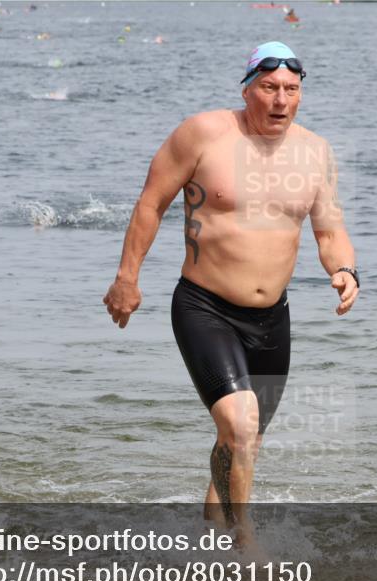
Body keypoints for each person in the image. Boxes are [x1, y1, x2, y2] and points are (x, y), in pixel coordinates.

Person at [103, 42, 358, 547]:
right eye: (269, 88)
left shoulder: (315, 152)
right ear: (248, 89)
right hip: (205, 306)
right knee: (241, 427)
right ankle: (246, 547)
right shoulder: (203, 134)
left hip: (271, 319)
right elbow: (151, 203)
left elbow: (329, 231)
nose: (280, 100)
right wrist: (127, 278)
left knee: (244, 440)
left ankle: (210, 542)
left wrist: (346, 269)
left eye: (291, 89)